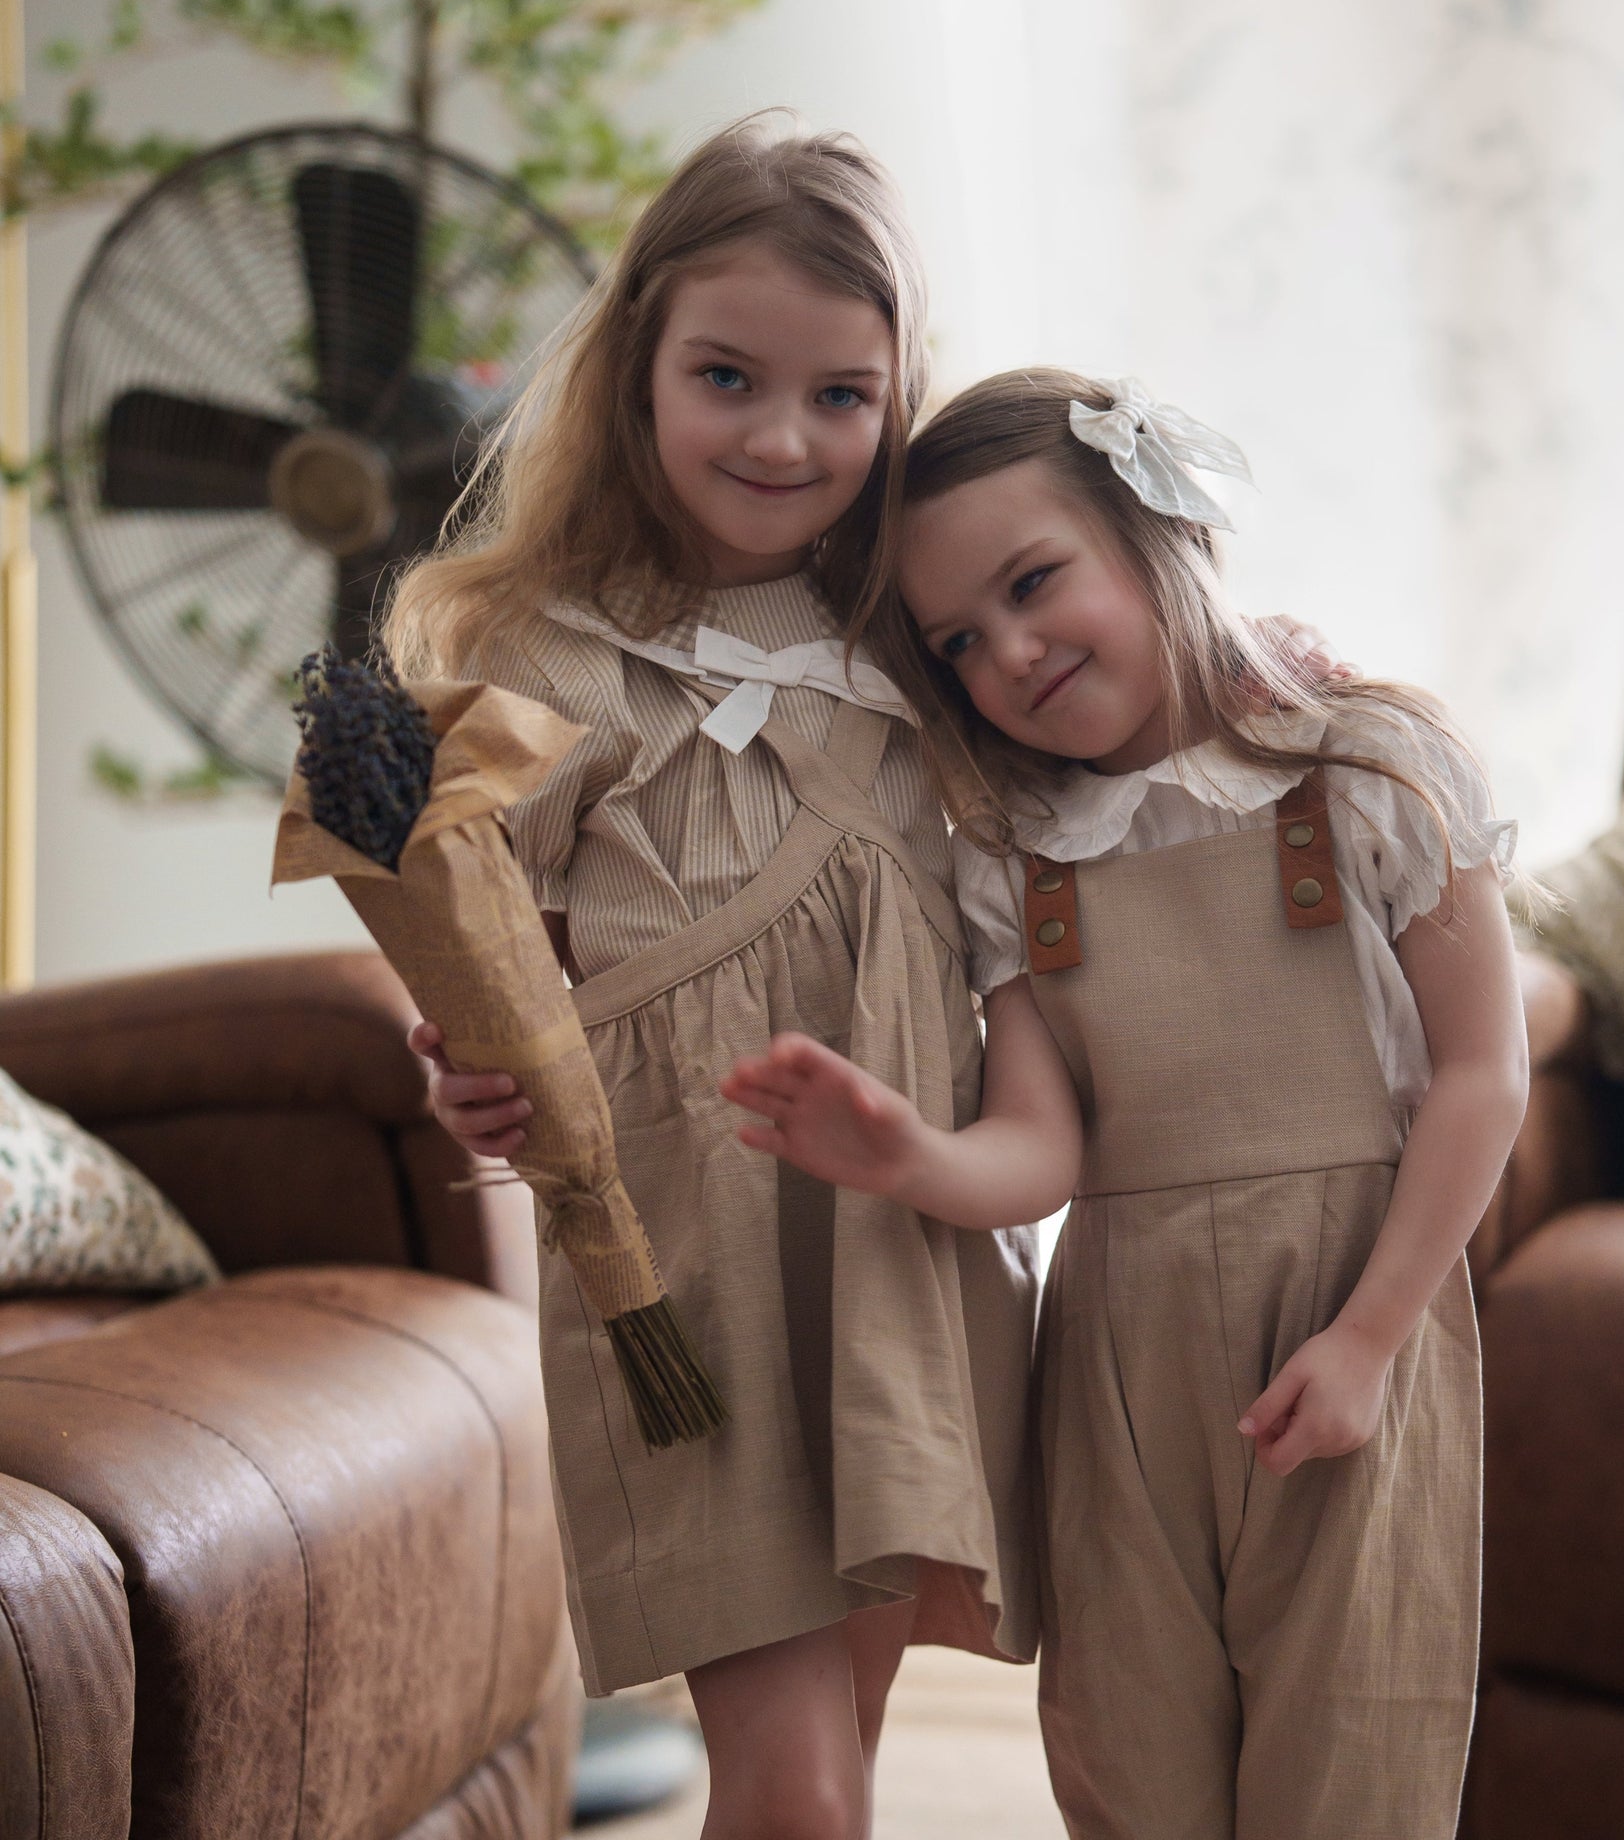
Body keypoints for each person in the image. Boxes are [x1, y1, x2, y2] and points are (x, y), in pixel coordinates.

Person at [718, 369, 1531, 1840]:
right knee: (1124, 1757)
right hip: (1113, 1354)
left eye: (1036, 584)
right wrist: (907, 1152)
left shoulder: (1369, 769)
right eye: (961, 639)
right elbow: (1042, 1151)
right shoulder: (1016, 854)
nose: (1012, 653)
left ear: (1157, 530)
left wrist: (1366, 1338)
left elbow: (1485, 1071)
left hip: (1349, 1312)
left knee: (1351, 1759)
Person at [384, 117, 1043, 1840]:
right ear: (637, 370)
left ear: (901, 396)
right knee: (802, 1785)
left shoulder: (930, 639)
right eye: (728, 376)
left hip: (899, 1252)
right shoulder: (539, 651)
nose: (780, 436)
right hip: (683, 1271)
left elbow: (1112, 713)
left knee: (839, 1763)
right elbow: (473, 950)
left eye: (842, 394)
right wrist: (462, 1064)